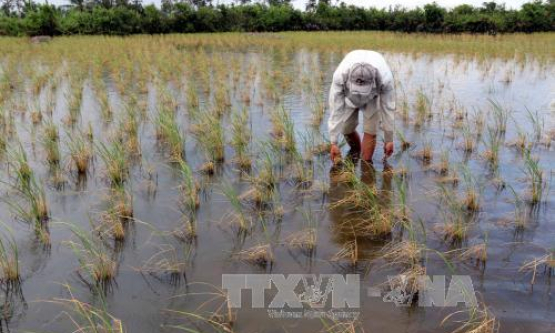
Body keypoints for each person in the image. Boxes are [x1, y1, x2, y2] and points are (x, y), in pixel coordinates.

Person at [328, 50, 396, 163]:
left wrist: (389, 139)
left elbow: (388, 108)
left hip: (373, 98)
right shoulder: (339, 76)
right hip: (349, 96)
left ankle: (365, 164)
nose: (360, 94)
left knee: (371, 130)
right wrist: (333, 142)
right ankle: (356, 152)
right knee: (346, 129)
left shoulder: (385, 79)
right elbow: (336, 109)